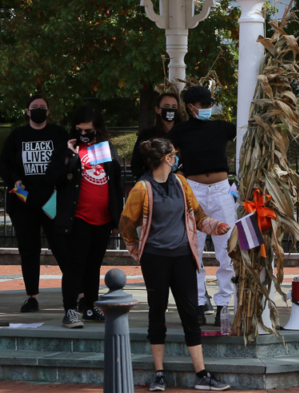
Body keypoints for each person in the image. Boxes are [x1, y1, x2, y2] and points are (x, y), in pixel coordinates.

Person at [120, 138, 231, 391]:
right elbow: (126, 222)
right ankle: (159, 373)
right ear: (166, 159)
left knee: (190, 314)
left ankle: (202, 374)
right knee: (156, 312)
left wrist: (217, 227)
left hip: (183, 257)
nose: (177, 157)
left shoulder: (181, 183)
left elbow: (199, 215)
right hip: (155, 258)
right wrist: (137, 251)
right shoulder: (142, 188)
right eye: (173, 154)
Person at [46, 104, 124, 329]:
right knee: (74, 266)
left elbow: (116, 183)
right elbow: (51, 178)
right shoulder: (67, 148)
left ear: (97, 129)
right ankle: (70, 309)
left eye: (88, 130)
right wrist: (69, 158)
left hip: (102, 218)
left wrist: (117, 219)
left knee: (94, 265)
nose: (83, 134)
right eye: (79, 129)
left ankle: (90, 306)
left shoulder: (106, 148)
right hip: (78, 217)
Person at [166, 86, 236, 326]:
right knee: (192, 250)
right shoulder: (180, 131)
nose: (207, 108)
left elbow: (247, 133)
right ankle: (196, 302)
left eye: (209, 104)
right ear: (190, 106)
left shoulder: (221, 127)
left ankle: (224, 304)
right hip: (193, 191)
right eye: (203, 104)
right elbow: (169, 157)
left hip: (221, 190)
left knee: (227, 250)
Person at [0, 95, 68, 313]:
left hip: (53, 203)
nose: (38, 110)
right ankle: (32, 296)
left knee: (62, 248)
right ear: (27, 112)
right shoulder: (17, 136)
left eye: (42, 107)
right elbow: (4, 165)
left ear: (48, 111)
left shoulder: (58, 134)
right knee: (29, 251)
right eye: (34, 107)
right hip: (24, 204)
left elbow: (70, 160)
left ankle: (78, 292)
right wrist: (15, 181)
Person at [130, 92, 184, 179]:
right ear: (157, 110)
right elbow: (136, 166)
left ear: (178, 111)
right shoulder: (147, 135)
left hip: (180, 184)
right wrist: (154, 179)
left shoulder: (184, 134)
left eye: (174, 107)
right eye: (166, 106)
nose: (170, 110)